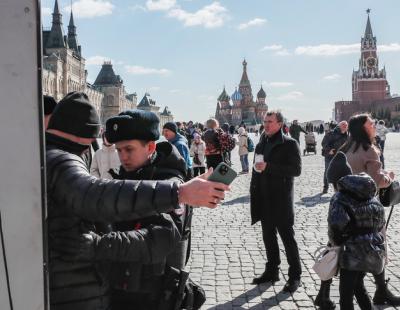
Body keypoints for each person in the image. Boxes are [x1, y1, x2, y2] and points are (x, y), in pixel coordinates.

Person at [46, 91, 229, 310]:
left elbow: (160, 238)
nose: (123, 156)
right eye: (119, 150)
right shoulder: (123, 176)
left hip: (152, 297)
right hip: (120, 292)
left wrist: (99, 246)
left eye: (129, 149)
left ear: (150, 147)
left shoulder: (170, 180)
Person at [316, 114, 399, 308]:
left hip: (343, 208)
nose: (373, 125)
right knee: (375, 247)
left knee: (335, 249)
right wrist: (389, 177)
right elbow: (374, 180)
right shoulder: (369, 150)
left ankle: (324, 293)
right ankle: (380, 291)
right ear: (363, 128)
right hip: (364, 211)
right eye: (370, 123)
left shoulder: (346, 147)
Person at [250, 111, 302, 293]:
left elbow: (296, 170)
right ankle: (272, 270)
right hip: (264, 198)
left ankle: (295, 276)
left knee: (288, 238)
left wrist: (269, 167)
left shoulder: (289, 143)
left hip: (281, 199)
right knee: (268, 237)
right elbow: (256, 169)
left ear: (280, 124)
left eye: (270, 122)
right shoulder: (261, 143)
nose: (266, 124)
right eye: (265, 121)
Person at [327, 165, 386, 310]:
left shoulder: (340, 198)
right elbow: (380, 225)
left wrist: (337, 243)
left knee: (346, 294)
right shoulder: (375, 200)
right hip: (371, 250)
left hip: (351, 252)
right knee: (358, 286)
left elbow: (336, 225)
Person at [321, 120, 348, 193]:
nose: (345, 127)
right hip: (330, 155)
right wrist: (329, 150)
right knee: (327, 171)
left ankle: (338, 188)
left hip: (341, 156)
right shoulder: (331, 133)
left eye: (346, 126)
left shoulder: (347, 135)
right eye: (343, 125)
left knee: (340, 172)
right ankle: (325, 187)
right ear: (339, 126)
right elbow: (323, 143)